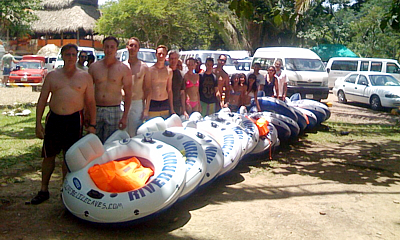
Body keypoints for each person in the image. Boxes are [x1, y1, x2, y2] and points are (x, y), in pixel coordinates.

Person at [31, 43, 96, 204]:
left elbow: (90, 102)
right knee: (49, 156)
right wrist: (38, 123)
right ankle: (43, 189)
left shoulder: (85, 76)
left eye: (74, 55)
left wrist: (92, 124)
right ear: (62, 56)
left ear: (78, 56)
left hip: (74, 120)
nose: (71, 58)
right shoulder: (52, 76)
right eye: (68, 54)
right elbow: (42, 100)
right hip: (55, 119)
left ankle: (66, 190)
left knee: (69, 157)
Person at [89, 36, 132, 143]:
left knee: (111, 144)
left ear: (116, 49)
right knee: (94, 143)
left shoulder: (123, 69)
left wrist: (125, 116)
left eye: (112, 47)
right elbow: (87, 92)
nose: (109, 50)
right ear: (103, 48)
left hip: (114, 109)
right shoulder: (94, 67)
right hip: (96, 109)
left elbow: (128, 94)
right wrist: (87, 113)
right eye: (107, 47)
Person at [125, 37, 151, 136]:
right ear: (127, 47)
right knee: (121, 132)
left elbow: (148, 89)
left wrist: (146, 109)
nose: (133, 48)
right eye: (131, 45)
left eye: (135, 46)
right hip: (122, 103)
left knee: (134, 133)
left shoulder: (144, 67)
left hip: (137, 103)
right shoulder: (122, 66)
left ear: (138, 49)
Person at [146, 45, 174, 119]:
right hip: (153, 103)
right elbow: (148, 90)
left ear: (166, 55)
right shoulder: (150, 70)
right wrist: (146, 109)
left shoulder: (169, 71)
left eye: (163, 54)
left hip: (164, 103)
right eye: (159, 54)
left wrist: (172, 108)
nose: (161, 56)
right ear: (156, 55)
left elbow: (169, 90)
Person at [169, 50, 188, 118]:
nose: (173, 61)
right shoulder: (165, 72)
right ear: (168, 59)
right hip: (165, 106)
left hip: (177, 106)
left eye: (175, 58)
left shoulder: (181, 74)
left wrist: (184, 110)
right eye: (171, 58)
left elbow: (182, 93)